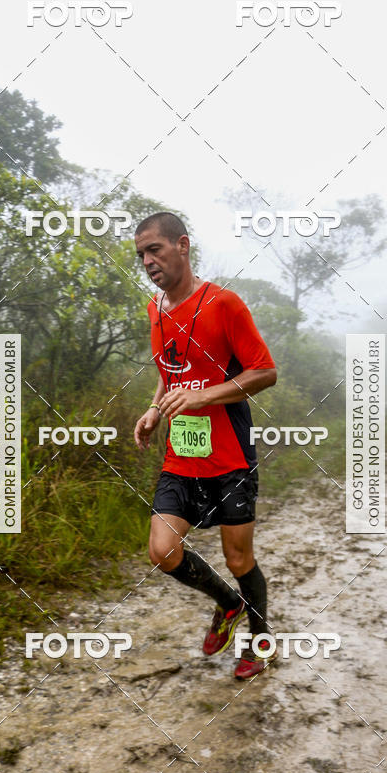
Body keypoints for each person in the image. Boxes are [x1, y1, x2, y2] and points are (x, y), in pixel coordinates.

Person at [133, 212, 277, 678]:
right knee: (162, 551)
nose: (148, 261)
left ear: (183, 245)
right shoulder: (156, 310)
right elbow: (169, 371)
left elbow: (264, 371)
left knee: (239, 558)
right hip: (183, 455)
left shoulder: (223, 304)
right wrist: (156, 408)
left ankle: (258, 642)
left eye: (155, 249)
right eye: (141, 255)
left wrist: (203, 395)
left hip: (231, 457)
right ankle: (227, 605)